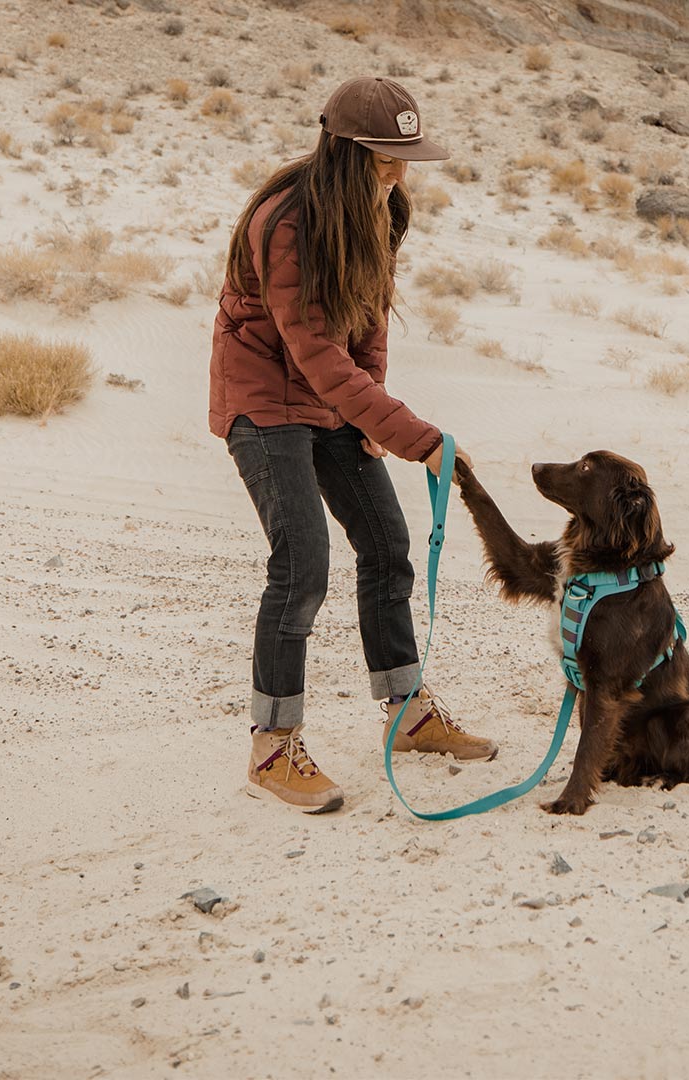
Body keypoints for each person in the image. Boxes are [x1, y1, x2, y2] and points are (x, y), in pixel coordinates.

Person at [209, 76, 497, 814]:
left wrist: (373, 417)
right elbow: (313, 352)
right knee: (302, 563)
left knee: (386, 541)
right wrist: (415, 438)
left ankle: (407, 715)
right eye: (382, 158)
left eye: (405, 158)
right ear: (341, 149)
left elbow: (366, 323)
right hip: (265, 398)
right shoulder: (287, 222)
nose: (398, 173)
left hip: (330, 397)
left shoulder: (383, 208)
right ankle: (273, 747)